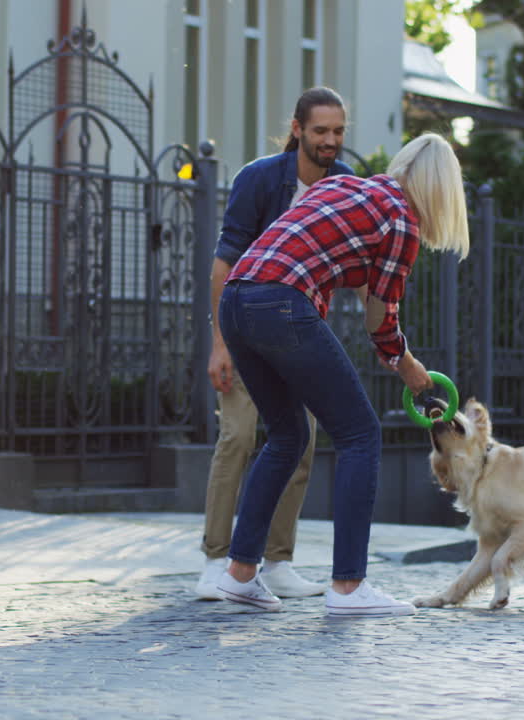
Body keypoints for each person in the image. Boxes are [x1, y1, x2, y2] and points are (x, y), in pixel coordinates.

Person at [214, 132, 470, 616]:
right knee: (360, 434)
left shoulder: (344, 186)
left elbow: (320, 260)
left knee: (287, 435)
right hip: (280, 302)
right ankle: (349, 587)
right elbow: (380, 318)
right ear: (442, 190)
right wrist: (407, 365)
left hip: (236, 299)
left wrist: (387, 346)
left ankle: (240, 574)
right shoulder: (401, 219)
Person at [195, 88, 356, 601]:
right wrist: (220, 344)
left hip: (301, 333)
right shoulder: (260, 178)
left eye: (338, 131)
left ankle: (279, 561)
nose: (330, 141)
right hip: (245, 328)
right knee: (238, 438)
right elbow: (224, 263)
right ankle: (216, 560)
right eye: (320, 131)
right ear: (297, 129)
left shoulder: (345, 184)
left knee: (301, 443)